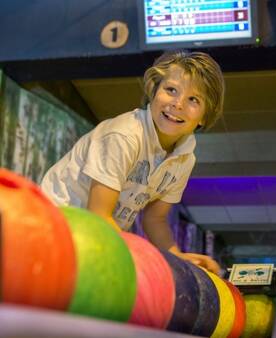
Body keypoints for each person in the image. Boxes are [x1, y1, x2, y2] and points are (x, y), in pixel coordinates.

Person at [41, 50, 223, 274]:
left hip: (94, 235)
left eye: (193, 99)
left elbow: (154, 218)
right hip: (52, 227)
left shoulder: (184, 158)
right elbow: (99, 215)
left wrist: (177, 258)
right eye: (171, 90)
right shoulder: (124, 136)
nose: (177, 104)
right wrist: (145, 260)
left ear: (205, 116)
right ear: (154, 92)